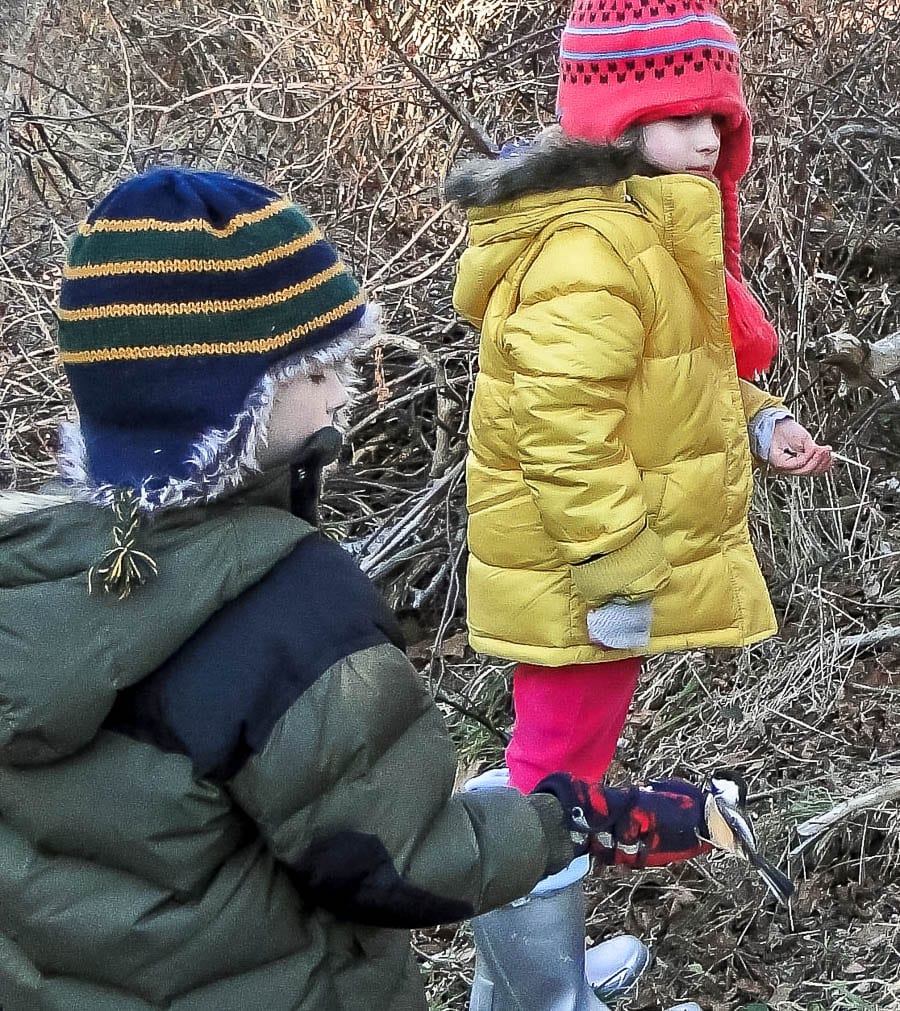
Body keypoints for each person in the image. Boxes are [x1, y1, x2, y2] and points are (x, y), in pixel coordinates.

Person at [0, 166, 714, 1011]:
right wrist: (577, 818)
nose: (343, 390)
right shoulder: (285, 609)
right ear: (229, 401)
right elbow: (400, 860)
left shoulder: (31, 566)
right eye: (315, 370)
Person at [446, 0, 833, 1006]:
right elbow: (563, 431)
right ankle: (543, 995)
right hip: (581, 567)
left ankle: (537, 973)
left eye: (718, 116)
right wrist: (617, 570)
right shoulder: (592, 251)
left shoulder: (643, 228)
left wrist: (757, 420)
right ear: (614, 124)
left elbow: (665, 378)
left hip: (587, 563)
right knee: (550, 785)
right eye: (679, 117)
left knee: (557, 772)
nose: (707, 137)